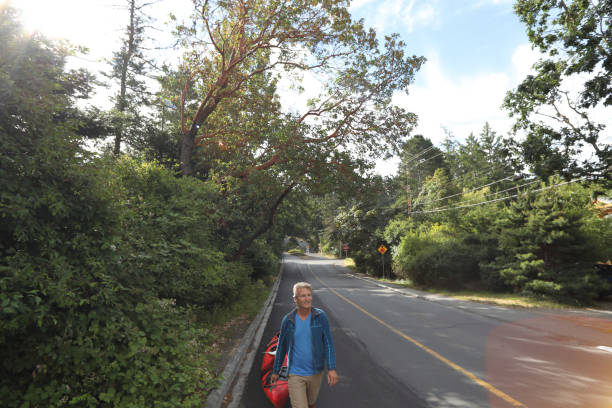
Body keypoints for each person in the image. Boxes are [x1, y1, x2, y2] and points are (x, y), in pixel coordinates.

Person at [271, 282, 338, 408]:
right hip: (295, 373)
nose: (307, 299)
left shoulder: (320, 317)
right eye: (303, 296)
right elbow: (281, 347)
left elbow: (328, 343)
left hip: (316, 372)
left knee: (311, 402)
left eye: (309, 295)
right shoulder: (288, 320)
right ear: (295, 299)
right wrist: (276, 370)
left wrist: (332, 368)